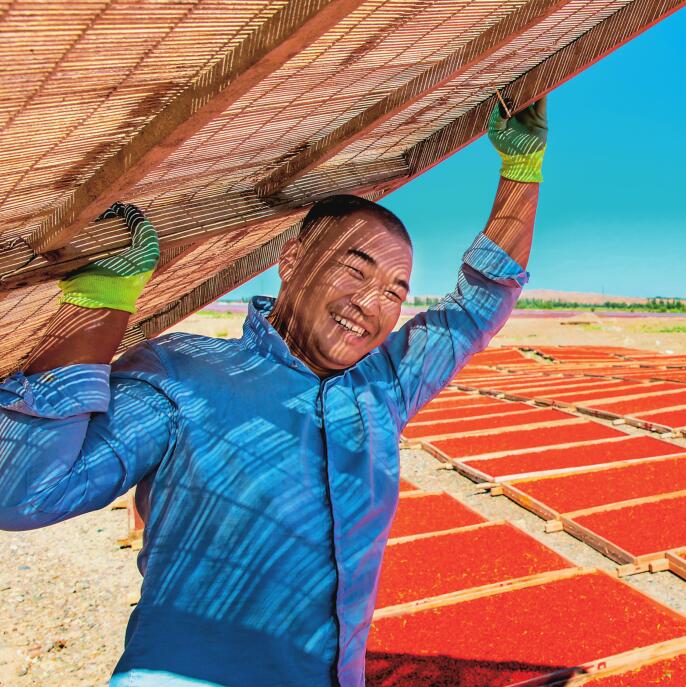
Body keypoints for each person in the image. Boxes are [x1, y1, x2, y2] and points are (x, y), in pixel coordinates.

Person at [0, 97, 548, 686]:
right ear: (293, 260)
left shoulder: (381, 391)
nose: (371, 304)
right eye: (355, 270)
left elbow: (478, 305)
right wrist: (101, 305)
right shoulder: (184, 373)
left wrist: (522, 171)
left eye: (395, 290)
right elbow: (24, 492)